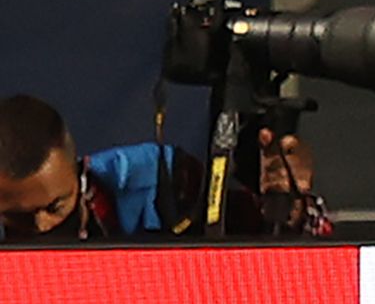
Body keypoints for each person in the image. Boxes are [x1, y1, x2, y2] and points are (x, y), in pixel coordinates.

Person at [0, 92, 322, 240]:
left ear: (79, 169)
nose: (42, 226)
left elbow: (289, 256)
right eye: (17, 216)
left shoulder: (159, 182)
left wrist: (289, 206)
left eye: (56, 205)